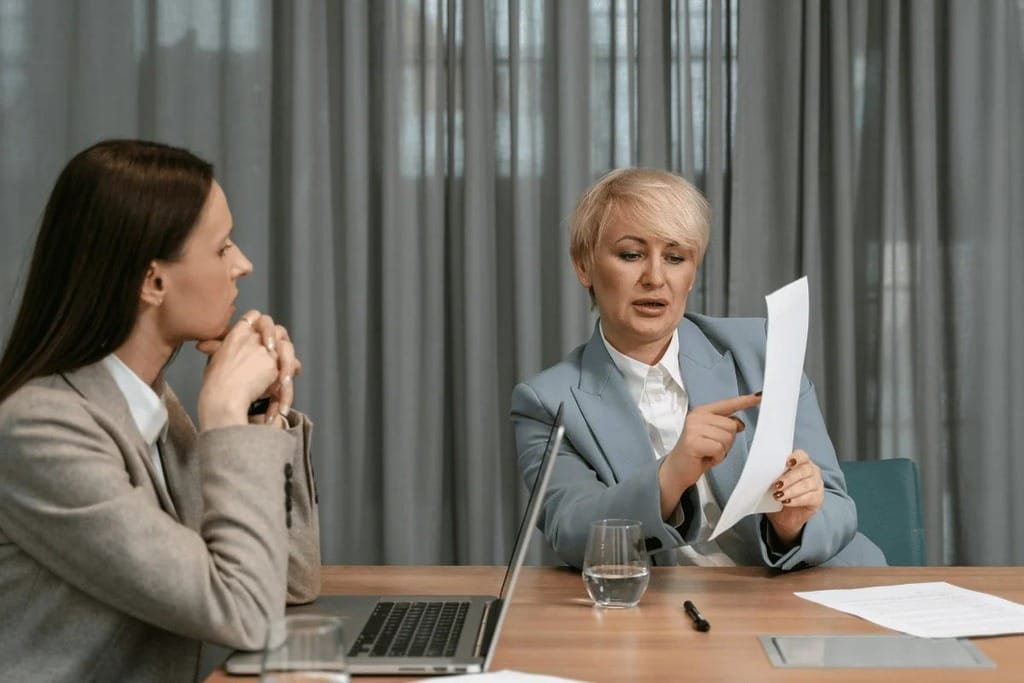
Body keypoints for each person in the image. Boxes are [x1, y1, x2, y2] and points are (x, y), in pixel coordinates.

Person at [0, 140, 321, 682]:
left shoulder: (149, 404)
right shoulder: (41, 431)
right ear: (152, 281)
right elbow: (245, 615)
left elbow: (290, 580)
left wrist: (258, 416)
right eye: (222, 249)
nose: (243, 264)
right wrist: (223, 418)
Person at [511, 168, 885, 570]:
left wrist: (794, 523)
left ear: (691, 274)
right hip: (663, 616)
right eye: (631, 255)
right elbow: (573, 533)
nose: (655, 278)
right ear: (584, 266)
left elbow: (837, 505)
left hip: (801, 595)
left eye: (675, 258)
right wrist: (671, 476)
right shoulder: (547, 402)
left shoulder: (764, 348)